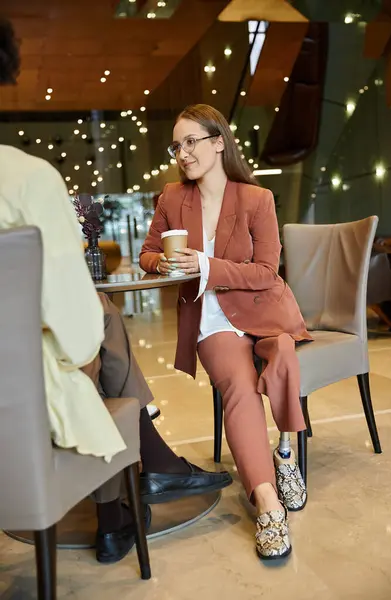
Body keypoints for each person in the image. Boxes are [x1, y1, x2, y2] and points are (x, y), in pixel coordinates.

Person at [0, 21, 232, 565]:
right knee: (94, 345)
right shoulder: (25, 178)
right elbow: (78, 334)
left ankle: (126, 502)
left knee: (100, 323)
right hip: (21, 402)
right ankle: (129, 494)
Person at [140, 104, 313, 560]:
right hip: (212, 320)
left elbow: (267, 272)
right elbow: (147, 254)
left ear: (219, 142)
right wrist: (167, 262)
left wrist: (207, 264)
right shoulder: (172, 197)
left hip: (265, 311)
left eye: (190, 141)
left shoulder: (257, 199)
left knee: (284, 356)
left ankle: (286, 451)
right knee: (238, 385)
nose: (182, 152)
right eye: (176, 145)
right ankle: (268, 499)